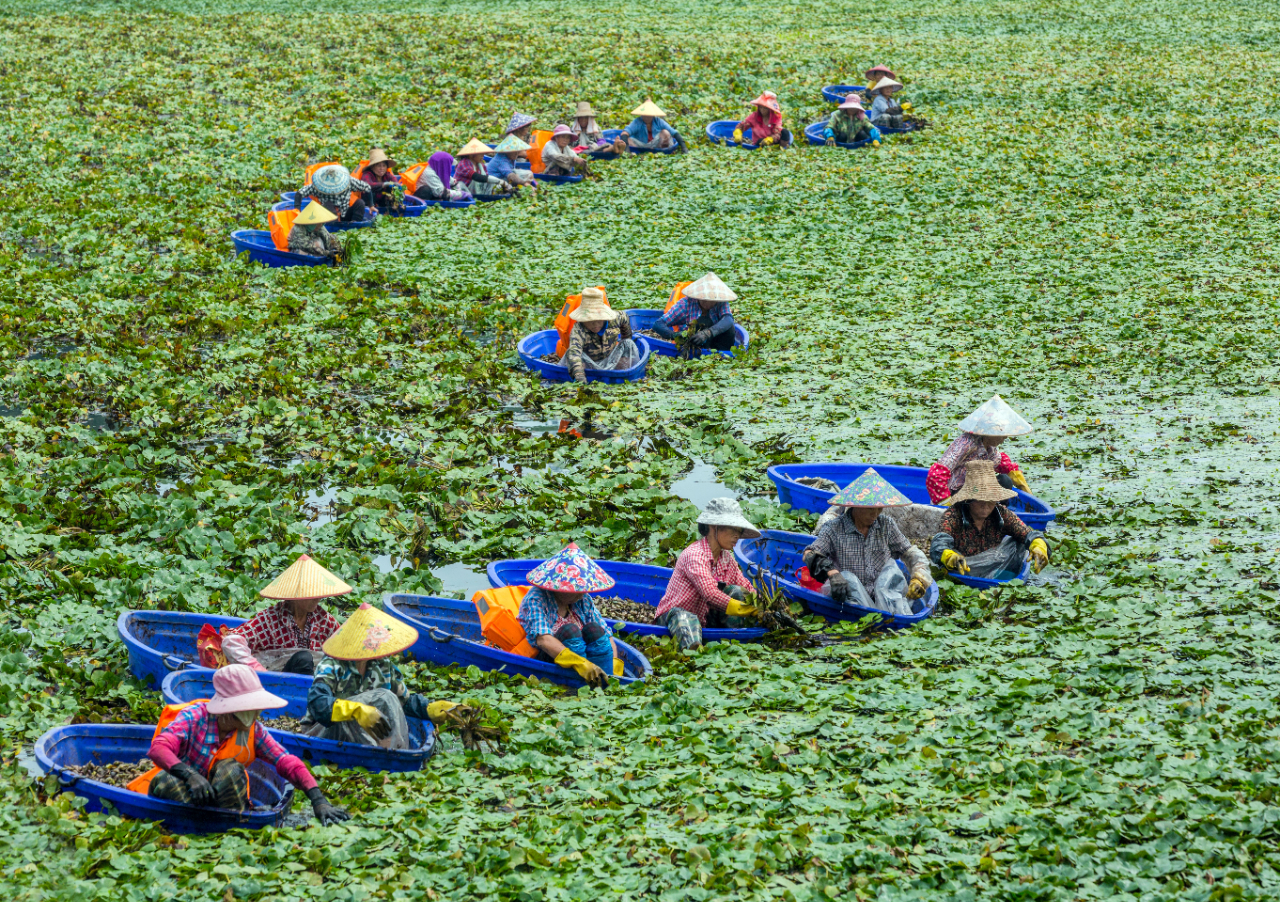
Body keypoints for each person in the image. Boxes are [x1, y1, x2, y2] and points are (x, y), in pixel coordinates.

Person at [127, 664, 349, 825]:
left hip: (224, 803)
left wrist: (318, 800)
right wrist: (190, 775)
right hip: (184, 795)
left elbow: (286, 761)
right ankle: (188, 828)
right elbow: (159, 748)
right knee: (168, 782)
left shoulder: (252, 730)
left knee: (231, 770)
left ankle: (232, 828)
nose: (255, 714)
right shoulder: (195, 717)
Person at [802, 468, 933, 617]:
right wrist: (833, 573)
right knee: (849, 579)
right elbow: (809, 554)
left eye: (879, 508)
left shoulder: (886, 525)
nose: (875, 514)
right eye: (870, 508)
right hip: (849, 600)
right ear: (856, 505)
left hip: (884, 597)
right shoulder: (834, 528)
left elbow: (910, 553)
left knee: (892, 572)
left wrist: (919, 577)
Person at [303, 603, 431, 749]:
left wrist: (430, 708)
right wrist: (356, 711)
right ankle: (386, 753)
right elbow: (317, 703)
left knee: (389, 698)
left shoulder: (382, 664)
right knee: (385, 697)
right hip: (322, 735)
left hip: (361, 736)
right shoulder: (332, 664)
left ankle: (393, 753)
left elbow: (405, 701)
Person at [655, 498, 760, 651]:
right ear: (714, 526)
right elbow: (709, 594)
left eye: (739, 531)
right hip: (674, 619)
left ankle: (733, 643)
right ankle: (693, 652)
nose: (737, 536)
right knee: (684, 616)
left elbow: (745, 587)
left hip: (704, 619)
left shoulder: (727, 559)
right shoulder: (695, 555)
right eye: (733, 529)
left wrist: (761, 605)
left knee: (737, 592)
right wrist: (745, 609)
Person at [516, 543, 623, 688]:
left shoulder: (583, 599)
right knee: (570, 630)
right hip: (548, 656)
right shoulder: (536, 599)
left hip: (584, 655)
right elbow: (543, 639)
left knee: (594, 630)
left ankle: (604, 679)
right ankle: (578, 682)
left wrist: (614, 662)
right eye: (576, 590)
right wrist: (580, 663)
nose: (581, 595)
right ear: (558, 587)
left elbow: (606, 633)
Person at [222, 554, 349, 675]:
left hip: (316, 682)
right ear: (295, 595)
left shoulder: (324, 621)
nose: (317, 598)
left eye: (319, 593)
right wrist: (257, 669)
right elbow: (231, 642)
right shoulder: (270, 620)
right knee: (303, 659)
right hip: (278, 681)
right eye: (311, 594)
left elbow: (345, 648)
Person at [930, 460, 1050, 579]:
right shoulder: (953, 515)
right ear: (969, 499)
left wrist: (1038, 546)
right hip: (963, 570)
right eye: (980, 498)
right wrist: (949, 556)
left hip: (994, 564)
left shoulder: (1001, 513)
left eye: (990, 498)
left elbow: (1028, 533)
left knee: (1019, 542)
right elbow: (939, 544)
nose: (985, 504)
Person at [926, 395, 1033, 504]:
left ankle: (997, 511)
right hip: (956, 494)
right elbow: (936, 474)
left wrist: (1023, 487)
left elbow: (1001, 464)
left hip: (974, 492)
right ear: (989, 431)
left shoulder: (990, 448)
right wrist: (946, 504)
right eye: (1001, 432)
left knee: (1004, 481)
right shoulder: (966, 444)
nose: (1005, 437)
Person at [560, 287, 639, 383]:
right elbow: (574, 353)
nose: (595, 324)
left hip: (611, 358)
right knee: (570, 354)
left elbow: (625, 319)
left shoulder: (616, 318)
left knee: (628, 343)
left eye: (598, 320)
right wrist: (579, 375)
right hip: (589, 364)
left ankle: (626, 376)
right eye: (590, 321)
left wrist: (625, 338)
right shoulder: (579, 329)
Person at [651, 272, 738, 356]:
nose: (708, 303)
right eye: (705, 299)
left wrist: (708, 333)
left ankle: (723, 355)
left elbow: (728, 319)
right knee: (697, 324)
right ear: (698, 296)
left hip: (717, 344)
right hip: (694, 346)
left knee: (729, 327)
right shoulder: (685, 304)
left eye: (712, 300)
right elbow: (658, 324)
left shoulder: (721, 302)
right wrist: (675, 335)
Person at [295, 163, 373, 223]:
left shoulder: (349, 181)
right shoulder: (317, 186)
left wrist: (371, 205)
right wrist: (297, 210)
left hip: (345, 211)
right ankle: (333, 227)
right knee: (328, 204)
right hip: (327, 216)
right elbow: (300, 193)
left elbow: (367, 188)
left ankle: (355, 225)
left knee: (360, 203)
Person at [359, 148, 404, 215]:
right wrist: (384, 184)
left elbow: (396, 183)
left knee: (393, 189)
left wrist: (399, 192)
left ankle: (391, 209)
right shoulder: (367, 174)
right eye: (379, 166)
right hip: (369, 204)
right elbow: (368, 185)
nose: (382, 168)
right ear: (372, 167)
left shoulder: (387, 175)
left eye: (384, 166)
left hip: (383, 203)